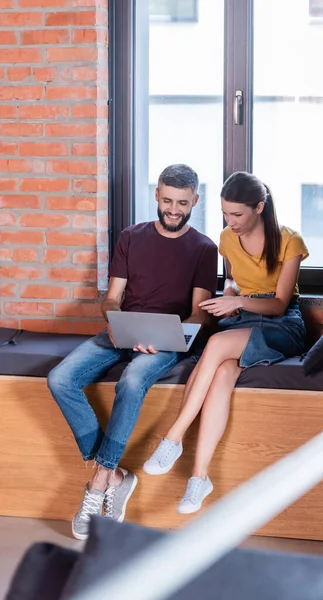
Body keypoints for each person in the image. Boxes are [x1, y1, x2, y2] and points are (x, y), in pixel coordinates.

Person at [47, 164, 218, 539]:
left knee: (133, 378)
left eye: (183, 204)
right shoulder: (130, 237)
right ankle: (115, 474)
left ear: (195, 202)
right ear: (156, 194)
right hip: (121, 331)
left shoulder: (205, 248)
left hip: (166, 339)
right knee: (60, 379)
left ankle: (100, 481)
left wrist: (170, 335)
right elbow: (111, 299)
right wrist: (116, 322)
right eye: (168, 200)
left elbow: (197, 314)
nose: (174, 210)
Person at [143, 171, 309, 514]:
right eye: (225, 213)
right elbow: (233, 279)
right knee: (221, 375)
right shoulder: (226, 238)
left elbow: (279, 304)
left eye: (237, 214)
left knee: (217, 344)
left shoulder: (290, 241)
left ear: (259, 207)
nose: (230, 222)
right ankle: (199, 478)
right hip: (244, 319)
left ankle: (172, 438)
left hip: (282, 324)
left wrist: (238, 302)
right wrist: (228, 298)